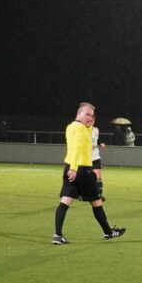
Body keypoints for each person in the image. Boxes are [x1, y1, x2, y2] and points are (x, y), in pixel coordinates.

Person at [53, 102, 126, 245]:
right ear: (79, 113)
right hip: (82, 170)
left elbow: (82, 141)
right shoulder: (80, 129)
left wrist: (90, 124)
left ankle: (57, 235)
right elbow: (77, 148)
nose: (90, 118)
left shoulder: (72, 126)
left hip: (70, 168)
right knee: (97, 202)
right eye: (87, 114)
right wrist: (74, 168)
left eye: (92, 116)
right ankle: (108, 232)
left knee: (65, 201)